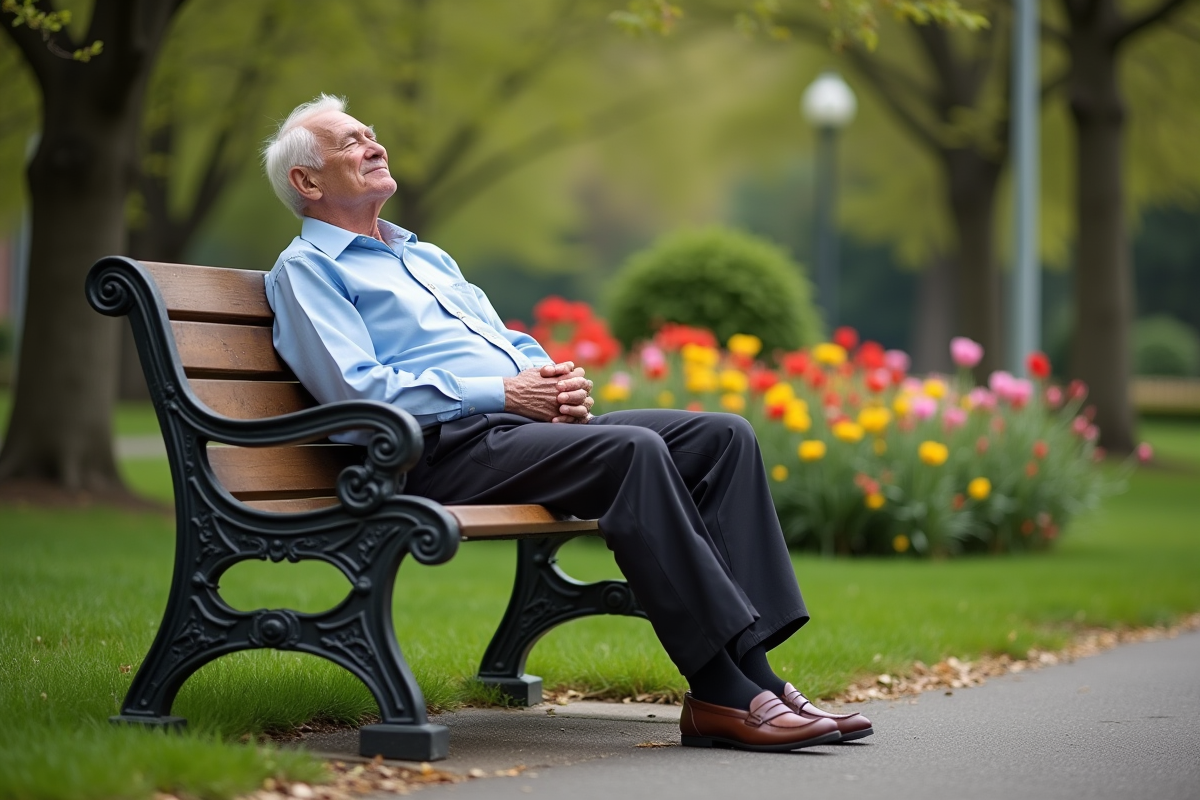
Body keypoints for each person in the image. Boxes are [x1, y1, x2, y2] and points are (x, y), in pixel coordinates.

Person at [261, 94, 872, 752]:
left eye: (371, 134)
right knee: (631, 453)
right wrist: (500, 393)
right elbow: (359, 390)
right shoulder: (308, 271)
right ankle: (723, 690)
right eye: (351, 141)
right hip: (428, 453)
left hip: (510, 432)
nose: (374, 145)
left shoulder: (424, 256)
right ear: (307, 181)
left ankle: (756, 675)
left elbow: (504, 341)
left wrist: (551, 382)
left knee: (723, 437)